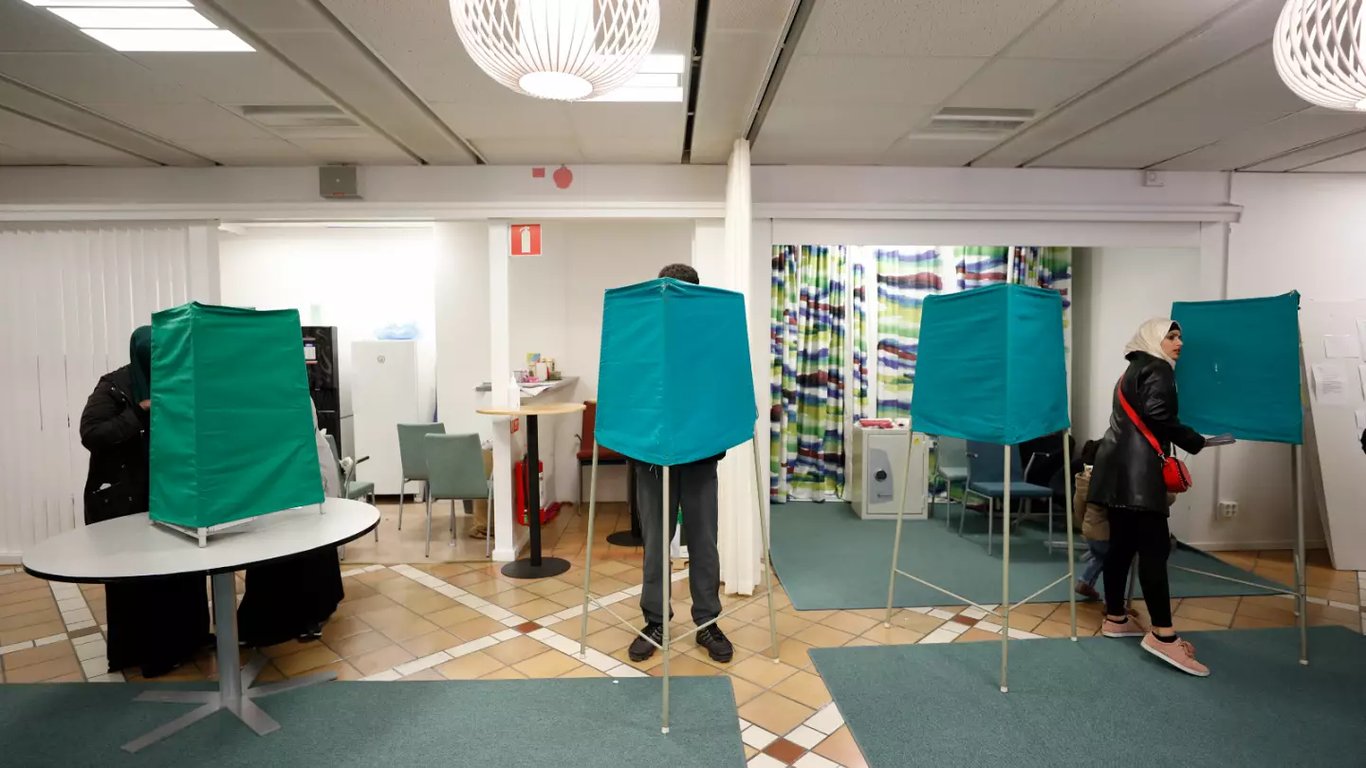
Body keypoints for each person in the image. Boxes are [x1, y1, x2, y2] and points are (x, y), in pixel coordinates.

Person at [79, 326, 211, 678]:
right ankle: (150, 652)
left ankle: (190, 639)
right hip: (127, 499)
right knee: (140, 577)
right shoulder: (114, 386)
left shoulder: (177, 381)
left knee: (182, 570)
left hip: (173, 493)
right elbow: (91, 434)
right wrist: (138, 411)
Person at [1088, 318, 1210, 676]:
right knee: (1155, 551)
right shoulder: (1159, 368)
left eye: (1180, 336)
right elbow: (1158, 415)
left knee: (1121, 547)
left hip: (1115, 472)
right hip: (1139, 476)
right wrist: (1193, 440)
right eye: (1171, 336)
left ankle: (1115, 617)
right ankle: (1163, 636)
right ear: (1153, 339)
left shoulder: (1130, 371)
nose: (1179, 342)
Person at [627, 263, 733, 664]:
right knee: (656, 544)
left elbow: (723, 394)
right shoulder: (643, 341)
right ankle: (655, 621)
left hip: (700, 457)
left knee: (704, 542)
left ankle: (707, 622)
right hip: (653, 459)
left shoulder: (710, 342)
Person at [237, 403, 345, 646]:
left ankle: (311, 615)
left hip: (303, 465)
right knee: (276, 543)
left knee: (310, 542)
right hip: (277, 469)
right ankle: (276, 619)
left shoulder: (292, 393)